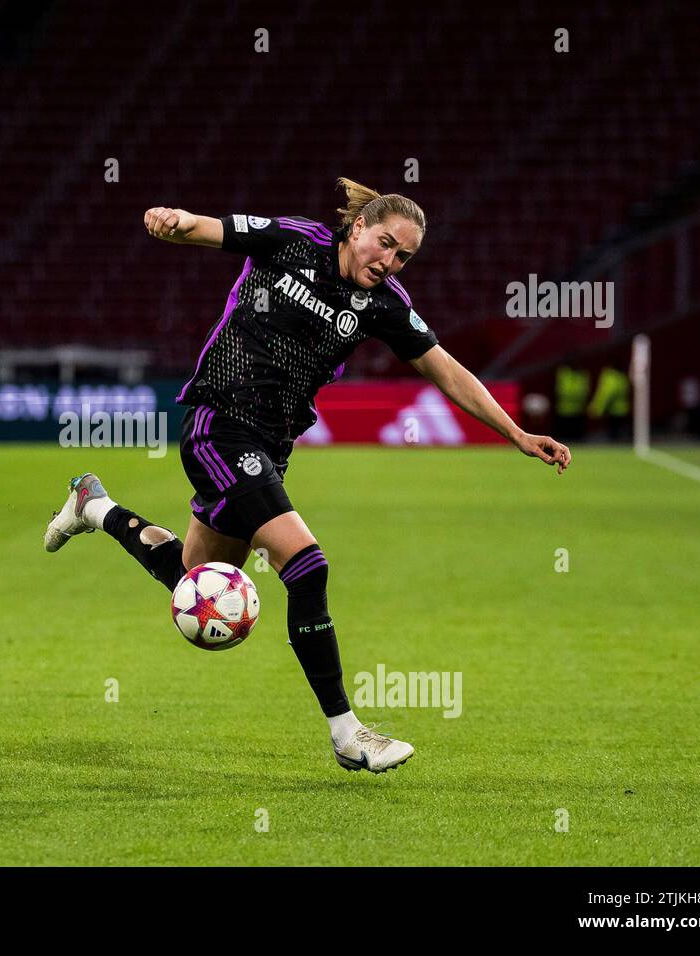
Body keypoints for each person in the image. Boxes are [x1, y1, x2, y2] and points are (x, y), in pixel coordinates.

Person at [45, 178, 571, 774]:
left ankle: (94, 507)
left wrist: (517, 435)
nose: (390, 260)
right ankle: (348, 733)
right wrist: (176, 219)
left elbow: (446, 370)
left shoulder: (383, 305)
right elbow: (214, 228)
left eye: (404, 255)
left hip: (270, 446)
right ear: (357, 229)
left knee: (197, 579)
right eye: (385, 243)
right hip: (218, 423)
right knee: (307, 565)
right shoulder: (295, 242)